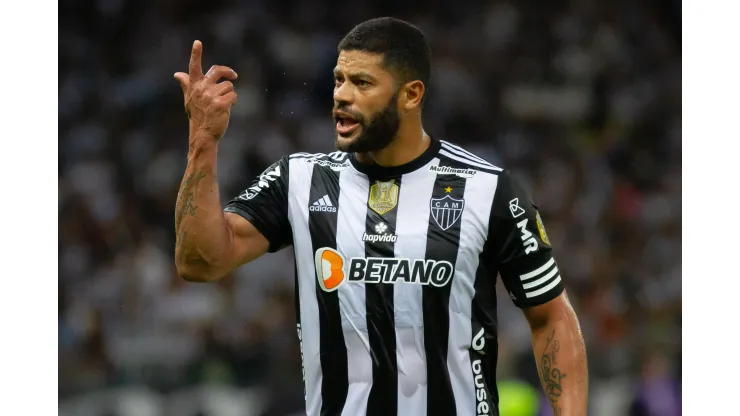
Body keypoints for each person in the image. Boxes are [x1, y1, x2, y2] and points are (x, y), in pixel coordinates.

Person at [173, 17, 588, 416]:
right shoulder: (299, 180)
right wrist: (203, 141)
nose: (341, 95)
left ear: (411, 94)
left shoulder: (487, 189)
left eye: (362, 83)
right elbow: (199, 261)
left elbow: (551, 317)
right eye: (338, 79)